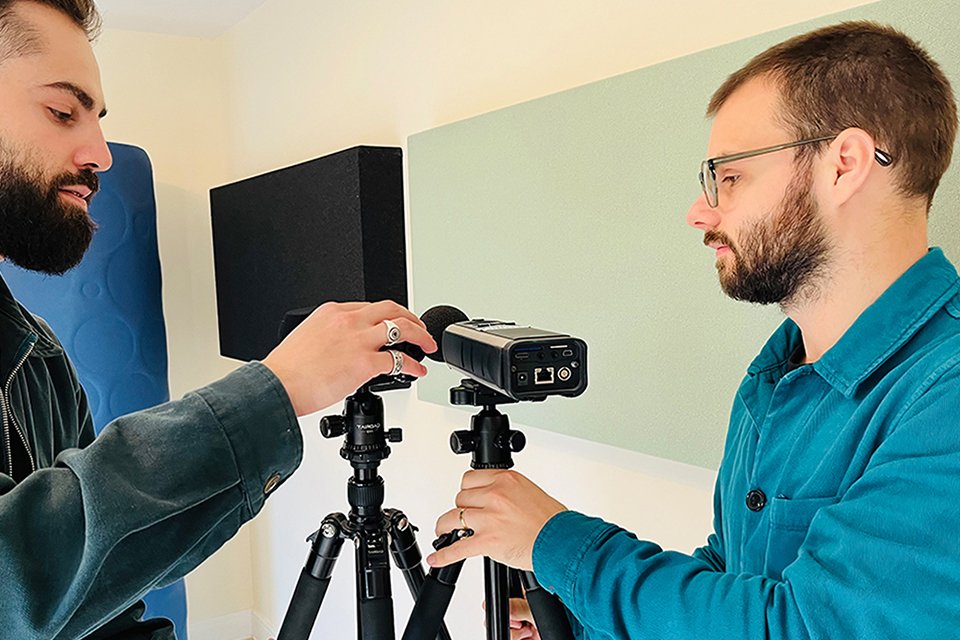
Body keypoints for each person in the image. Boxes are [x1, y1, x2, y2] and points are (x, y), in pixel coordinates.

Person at [427, 20, 960, 639]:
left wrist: (558, 546)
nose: (700, 210)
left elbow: (806, 627)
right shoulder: (777, 377)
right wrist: (577, 620)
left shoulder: (943, 394)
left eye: (728, 176)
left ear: (843, 165)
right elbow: (738, 580)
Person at [0, 1, 437, 638]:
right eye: (62, 112)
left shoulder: (39, 360)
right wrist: (275, 391)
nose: (100, 153)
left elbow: (100, 602)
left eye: (95, 119)